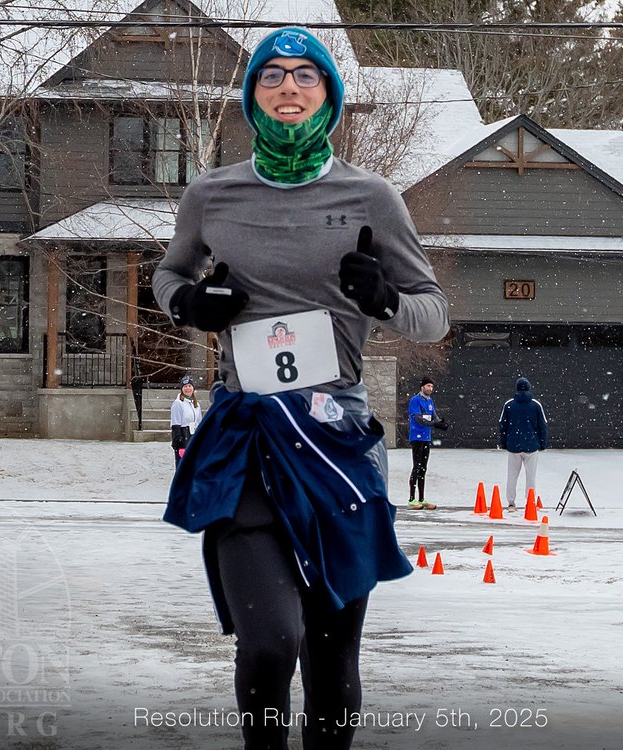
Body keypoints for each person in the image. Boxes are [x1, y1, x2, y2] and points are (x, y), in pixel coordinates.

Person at [151, 27, 448, 750]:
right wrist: (191, 305)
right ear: (252, 97)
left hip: (337, 439)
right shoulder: (212, 194)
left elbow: (432, 313)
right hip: (244, 438)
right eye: (272, 76)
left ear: (330, 96)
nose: (289, 87)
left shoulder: (371, 196)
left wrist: (383, 299)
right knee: (269, 646)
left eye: (306, 76)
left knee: (329, 658)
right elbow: (168, 275)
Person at [498, 377, 549, 510]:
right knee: (531, 475)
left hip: (513, 445)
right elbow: (542, 426)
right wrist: (542, 444)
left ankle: (511, 502)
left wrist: (504, 443)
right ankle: (530, 501)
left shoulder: (509, 405)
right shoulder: (536, 405)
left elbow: (502, 425)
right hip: (531, 446)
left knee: (512, 475)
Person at [407, 376, 449, 509]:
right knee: (416, 466)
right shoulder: (415, 400)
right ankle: (412, 499)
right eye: (428, 386)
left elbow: (433, 415)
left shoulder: (430, 401)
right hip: (417, 437)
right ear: (422, 387)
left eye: (431, 386)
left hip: (426, 437)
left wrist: (441, 423)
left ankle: (422, 498)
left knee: (423, 468)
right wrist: (433, 424)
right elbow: (419, 419)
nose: (430, 389)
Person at [169, 375, 202, 467]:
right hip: (183, 435)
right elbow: (175, 423)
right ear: (182, 389)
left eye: (190, 386)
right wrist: (179, 441)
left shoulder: (196, 404)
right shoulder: (178, 403)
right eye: (185, 386)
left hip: (193, 435)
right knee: (183, 464)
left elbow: (199, 422)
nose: (188, 389)